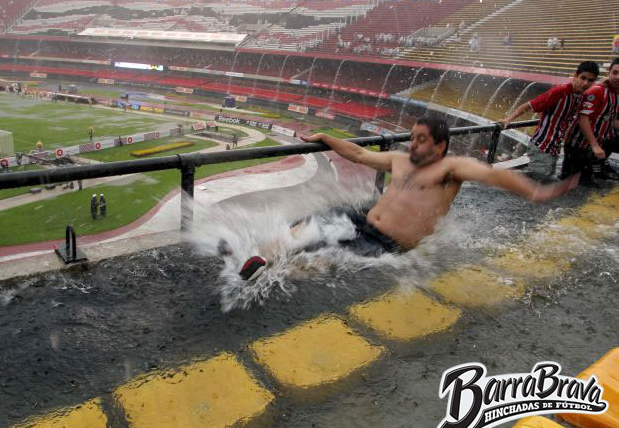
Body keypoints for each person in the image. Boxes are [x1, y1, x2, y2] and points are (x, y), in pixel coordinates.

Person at [233, 116, 578, 281]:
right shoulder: (399, 160)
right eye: (412, 138)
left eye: (421, 140)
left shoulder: (451, 168)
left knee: (328, 259)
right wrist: (324, 136)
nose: (412, 145)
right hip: (361, 221)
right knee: (307, 224)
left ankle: (278, 274)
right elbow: (357, 154)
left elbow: (493, 175)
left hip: (388, 244)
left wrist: (534, 190)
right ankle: (262, 259)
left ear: (440, 145)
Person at [501, 61, 599, 181]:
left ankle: (507, 179)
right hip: (542, 145)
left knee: (542, 179)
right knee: (538, 181)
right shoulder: (560, 91)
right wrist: (509, 119)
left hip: (553, 147)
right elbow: (529, 105)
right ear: (575, 76)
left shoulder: (580, 96)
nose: (585, 83)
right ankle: (502, 178)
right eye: (582, 78)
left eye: (590, 80)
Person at [561, 58, 619, 185]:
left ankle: (600, 165)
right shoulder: (598, 91)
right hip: (577, 145)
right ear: (609, 73)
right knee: (574, 182)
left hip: (594, 144)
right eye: (615, 73)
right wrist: (595, 145)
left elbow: (611, 118)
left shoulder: (616, 94)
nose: (617, 77)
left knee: (588, 181)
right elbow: (582, 117)